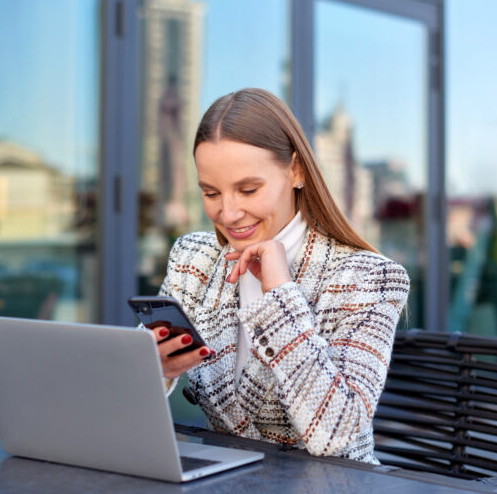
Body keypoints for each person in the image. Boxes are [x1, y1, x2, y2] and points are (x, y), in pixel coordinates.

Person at [151, 88, 409, 464]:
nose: (228, 213)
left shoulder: (368, 277)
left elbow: (336, 434)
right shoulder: (195, 259)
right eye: (210, 192)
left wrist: (280, 297)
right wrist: (157, 371)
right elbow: (126, 400)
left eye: (248, 189)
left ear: (296, 171)